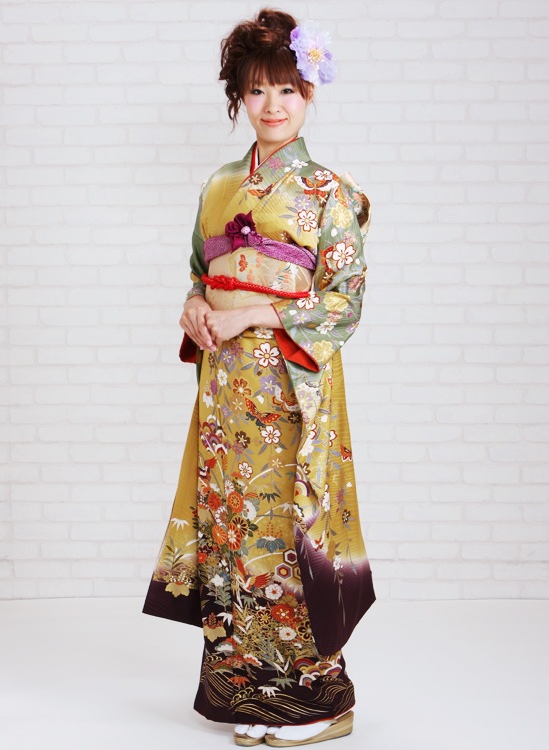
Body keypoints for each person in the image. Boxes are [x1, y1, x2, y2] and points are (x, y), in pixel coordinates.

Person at [142, 8, 376, 747]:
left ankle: (318, 701)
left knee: (286, 525)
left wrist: (252, 315)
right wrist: (194, 307)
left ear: (310, 93)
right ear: (239, 96)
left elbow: (343, 301)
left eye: (287, 89)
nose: (272, 105)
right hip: (226, 392)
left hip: (289, 389)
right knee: (232, 524)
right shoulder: (218, 185)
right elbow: (199, 273)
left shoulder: (328, 192)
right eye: (256, 90)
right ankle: (250, 692)